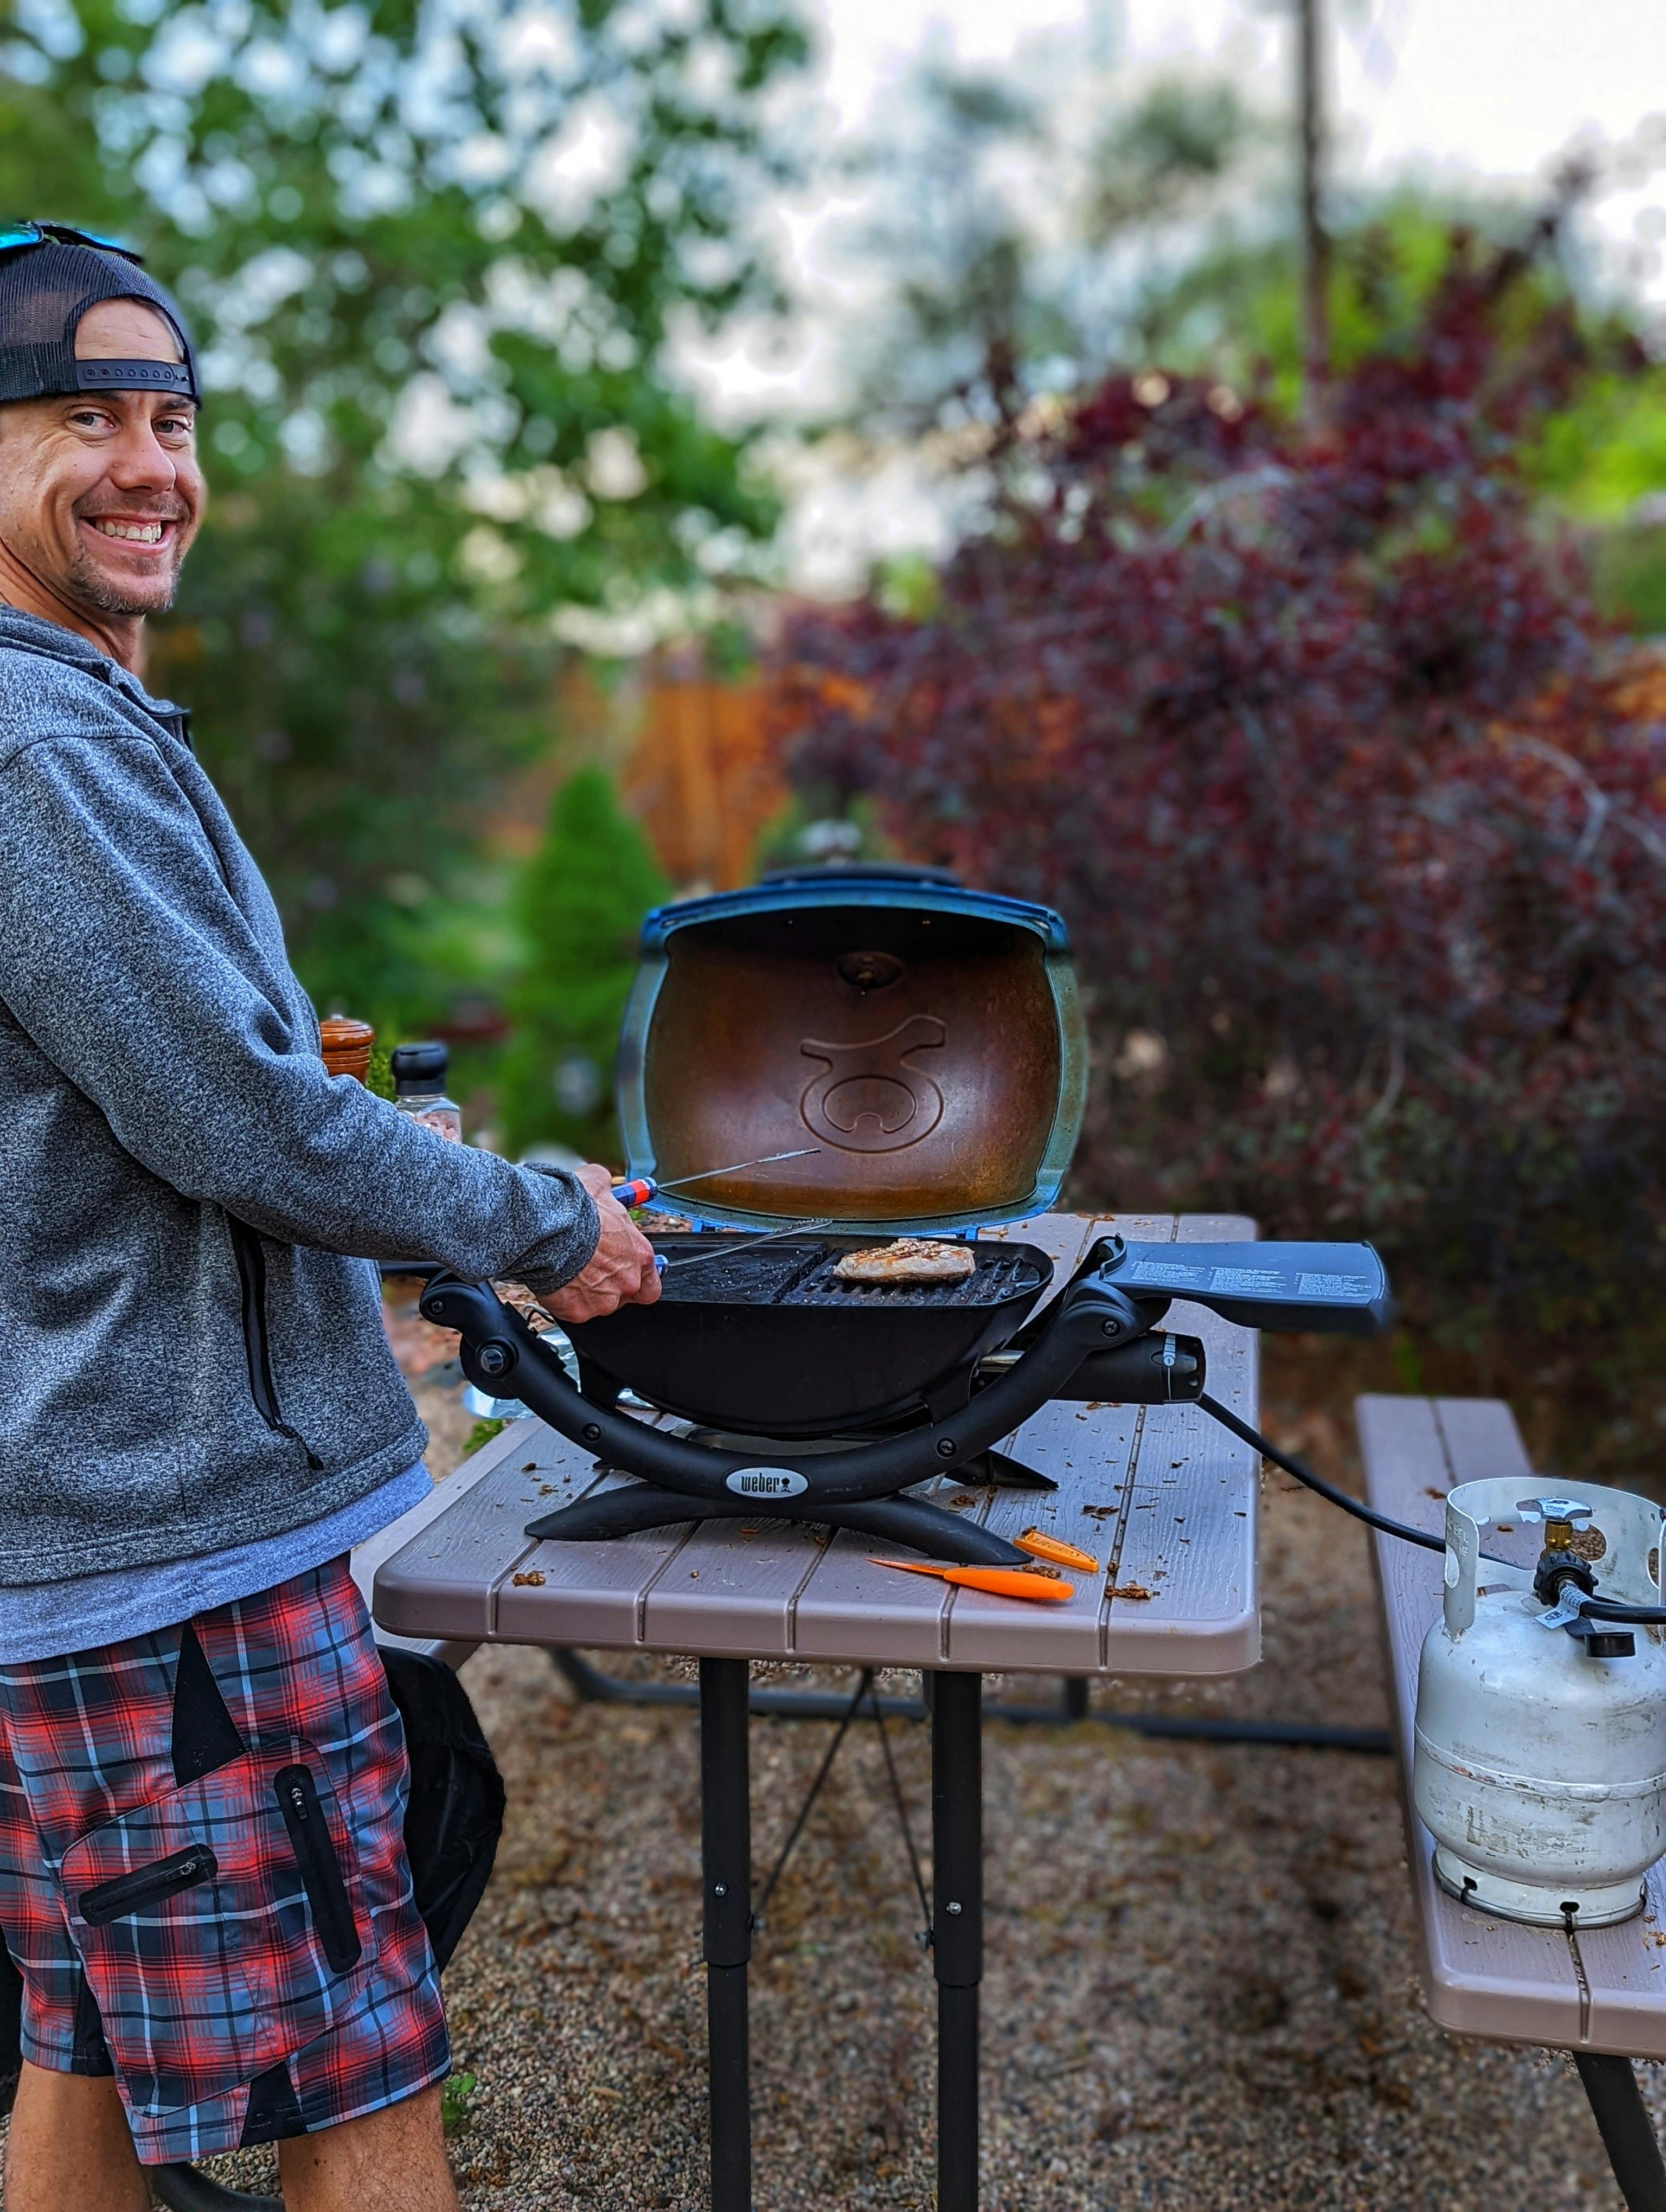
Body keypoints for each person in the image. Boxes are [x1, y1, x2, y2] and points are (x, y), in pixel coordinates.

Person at [0, 225, 660, 2212]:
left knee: (84, 2063)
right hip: (170, 1557)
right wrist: (535, 1225)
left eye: (174, 418)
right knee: (357, 2071)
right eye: (84, 417)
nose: (149, 464)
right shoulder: (38, 744)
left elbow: (191, 1106)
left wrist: (452, 1176)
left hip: (86, 1547)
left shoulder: (72, 725)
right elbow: (235, 1122)